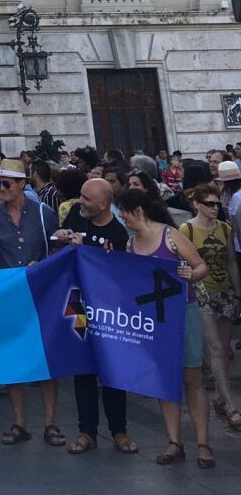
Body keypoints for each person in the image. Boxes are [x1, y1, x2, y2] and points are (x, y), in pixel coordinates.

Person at [116, 186, 212, 466]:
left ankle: (203, 443)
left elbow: (200, 266)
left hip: (183, 312)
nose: (122, 218)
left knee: (192, 380)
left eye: (124, 213)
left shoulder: (171, 236)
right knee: (165, 380)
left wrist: (189, 274)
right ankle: (174, 442)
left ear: (138, 211)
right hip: (154, 319)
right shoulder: (130, 244)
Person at [50, 178, 138, 454]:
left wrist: (92, 252)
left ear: (103, 204)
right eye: (80, 196)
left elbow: (122, 274)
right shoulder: (77, 215)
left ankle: (119, 431)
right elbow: (59, 252)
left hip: (109, 309)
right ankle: (86, 431)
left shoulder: (118, 232)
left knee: (112, 370)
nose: (80, 201)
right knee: (83, 370)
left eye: (87, 198)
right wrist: (62, 240)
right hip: (78, 304)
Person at [0, 159, 65, 449]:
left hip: (41, 294)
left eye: (6, 183)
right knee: (13, 359)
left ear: (21, 185)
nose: (0, 188)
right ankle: (19, 423)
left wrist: (41, 264)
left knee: (45, 360)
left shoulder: (45, 214)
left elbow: (58, 251)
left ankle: (51, 423)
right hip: (9, 295)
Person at [180, 183, 241, 431]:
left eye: (217, 204)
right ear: (197, 205)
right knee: (215, 348)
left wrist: (238, 294)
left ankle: (219, 397)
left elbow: (231, 263)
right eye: (209, 204)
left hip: (225, 292)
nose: (215, 208)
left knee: (224, 350)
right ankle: (231, 406)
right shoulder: (187, 229)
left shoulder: (225, 229)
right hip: (201, 293)